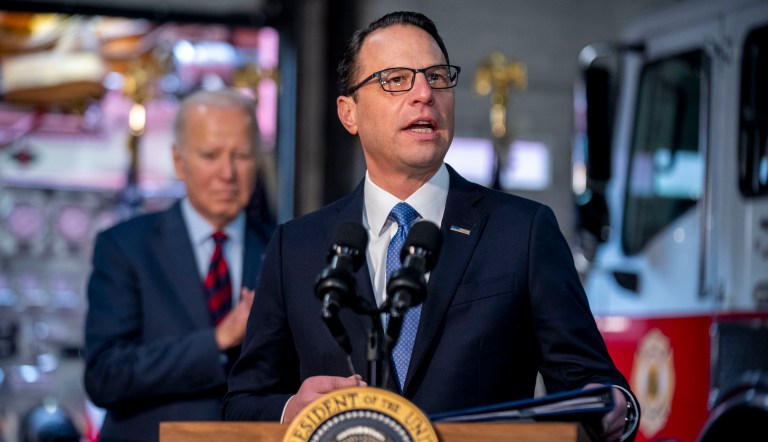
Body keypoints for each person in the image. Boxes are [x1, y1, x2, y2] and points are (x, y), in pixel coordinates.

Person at [223, 11, 639, 442]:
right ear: (350, 113)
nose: (424, 93)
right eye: (396, 79)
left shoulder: (523, 231)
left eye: (438, 77)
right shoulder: (297, 246)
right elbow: (242, 403)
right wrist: (292, 409)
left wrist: (611, 406)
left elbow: (592, 383)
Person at [83, 88, 273, 442]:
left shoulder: (283, 248)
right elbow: (104, 376)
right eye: (210, 155)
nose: (227, 173)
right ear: (178, 161)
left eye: (241, 155)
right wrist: (218, 340)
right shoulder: (124, 247)